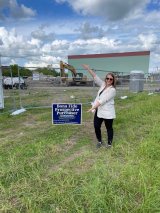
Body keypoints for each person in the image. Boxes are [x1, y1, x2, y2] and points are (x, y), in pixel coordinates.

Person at [82, 64, 116, 148]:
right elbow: (95, 77)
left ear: (113, 81)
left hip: (107, 112)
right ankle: (100, 141)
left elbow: (102, 100)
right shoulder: (103, 85)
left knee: (109, 128)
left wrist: (92, 108)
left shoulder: (112, 90)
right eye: (107, 78)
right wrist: (88, 69)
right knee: (96, 126)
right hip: (99, 110)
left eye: (110, 79)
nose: (108, 80)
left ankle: (109, 143)